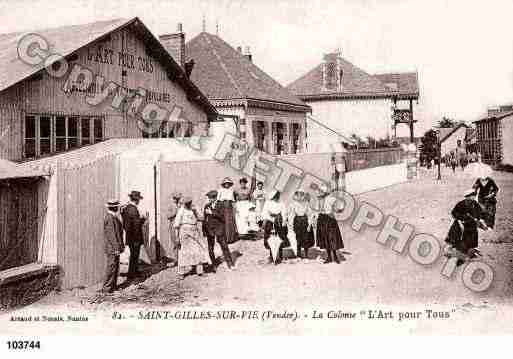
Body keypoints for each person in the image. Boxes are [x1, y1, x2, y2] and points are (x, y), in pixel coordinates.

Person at [445, 189, 488, 266]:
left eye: (474, 195)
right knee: (460, 240)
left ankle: (469, 253)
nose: (473, 197)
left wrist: (479, 219)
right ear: (467, 197)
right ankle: (457, 256)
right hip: (461, 225)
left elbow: (480, 213)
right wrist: (462, 218)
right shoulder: (461, 204)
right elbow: (454, 213)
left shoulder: (475, 204)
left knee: (471, 240)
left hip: (472, 225)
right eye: (471, 196)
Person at [174, 197, 210, 277]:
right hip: (184, 232)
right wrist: (177, 237)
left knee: (198, 250)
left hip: (194, 230)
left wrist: (196, 212)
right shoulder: (181, 210)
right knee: (183, 252)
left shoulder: (195, 208)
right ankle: (181, 273)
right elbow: (176, 225)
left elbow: (202, 218)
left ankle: (200, 271)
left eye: (189, 203)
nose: (187, 205)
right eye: (186, 204)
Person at [202, 190, 235, 271]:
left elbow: (222, 217)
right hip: (210, 229)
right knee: (210, 248)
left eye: (210, 198)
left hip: (219, 229)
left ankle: (230, 264)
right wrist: (204, 230)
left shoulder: (221, 204)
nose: (209, 200)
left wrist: (212, 213)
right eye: (209, 198)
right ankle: (214, 265)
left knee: (224, 247)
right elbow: (204, 219)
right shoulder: (207, 205)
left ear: (215, 197)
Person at [121, 190, 147, 280]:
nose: (139, 201)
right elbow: (136, 224)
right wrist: (143, 219)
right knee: (134, 255)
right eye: (138, 199)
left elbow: (126, 224)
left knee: (133, 255)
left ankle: (134, 271)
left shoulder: (126, 208)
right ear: (136, 200)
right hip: (135, 237)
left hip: (130, 235)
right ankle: (132, 274)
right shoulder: (133, 209)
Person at [315, 184, 345, 264]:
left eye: (321, 191)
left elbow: (336, 208)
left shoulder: (331, 199)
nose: (319, 192)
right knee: (325, 238)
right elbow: (317, 210)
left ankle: (335, 256)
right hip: (322, 219)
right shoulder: (319, 200)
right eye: (319, 191)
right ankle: (329, 257)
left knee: (332, 238)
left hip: (330, 219)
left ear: (324, 192)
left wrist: (339, 209)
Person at [101, 199, 125, 293]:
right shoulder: (110, 218)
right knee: (111, 267)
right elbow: (112, 235)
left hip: (114, 248)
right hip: (112, 248)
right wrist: (116, 248)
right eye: (117, 207)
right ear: (114, 207)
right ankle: (107, 288)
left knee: (115, 267)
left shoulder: (113, 217)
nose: (118, 208)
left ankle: (112, 287)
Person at [261, 190, 289, 264]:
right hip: (270, 223)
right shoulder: (267, 203)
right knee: (270, 239)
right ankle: (271, 256)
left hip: (279, 223)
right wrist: (269, 218)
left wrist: (283, 221)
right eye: (275, 196)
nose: (277, 197)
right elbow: (264, 212)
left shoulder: (281, 203)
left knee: (279, 238)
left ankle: (280, 256)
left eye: (278, 195)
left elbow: (284, 212)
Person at [288, 189, 314, 259]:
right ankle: (298, 254)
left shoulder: (306, 203)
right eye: (298, 194)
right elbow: (291, 214)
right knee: (298, 238)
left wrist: (309, 224)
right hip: (297, 221)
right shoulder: (293, 204)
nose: (300, 195)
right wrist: (290, 224)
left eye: (301, 194)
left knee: (306, 238)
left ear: (303, 195)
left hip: (304, 221)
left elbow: (310, 214)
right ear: (296, 195)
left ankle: (306, 255)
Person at [217, 177, 239, 245]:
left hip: (229, 206)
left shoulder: (231, 191)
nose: (227, 185)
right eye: (226, 183)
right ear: (224, 184)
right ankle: (223, 238)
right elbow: (218, 199)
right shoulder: (220, 190)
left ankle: (230, 238)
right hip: (222, 206)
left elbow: (233, 201)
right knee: (223, 221)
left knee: (229, 221)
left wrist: (235, 208)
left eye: (228, 183)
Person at [166, 192, 183, 265]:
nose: (176, 200)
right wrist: (175, 212)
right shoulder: (171, 206)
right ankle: (176, 259)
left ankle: (182, 259)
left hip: (180, 226)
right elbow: (168, 216)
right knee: (175, 242)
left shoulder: (181, 206)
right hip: (173, 225)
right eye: (175, 198)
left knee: (181, 242)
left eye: (177, 198)